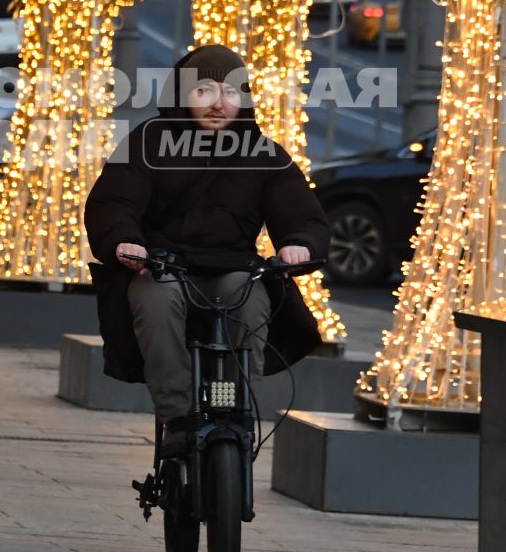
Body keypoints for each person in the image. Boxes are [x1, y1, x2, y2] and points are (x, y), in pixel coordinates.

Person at [83, 45, 329, 430]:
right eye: (205, 91)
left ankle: (231, 406)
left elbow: (303, 216)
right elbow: (114, 202)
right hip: (162, 267)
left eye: (231, 92)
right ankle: (178, 415)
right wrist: (124, 240)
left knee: (248, 300)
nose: (219, 103)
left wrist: (299, 242)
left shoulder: (263, 153)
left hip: (231, 268)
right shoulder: (148, 142)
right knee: (156, 297)